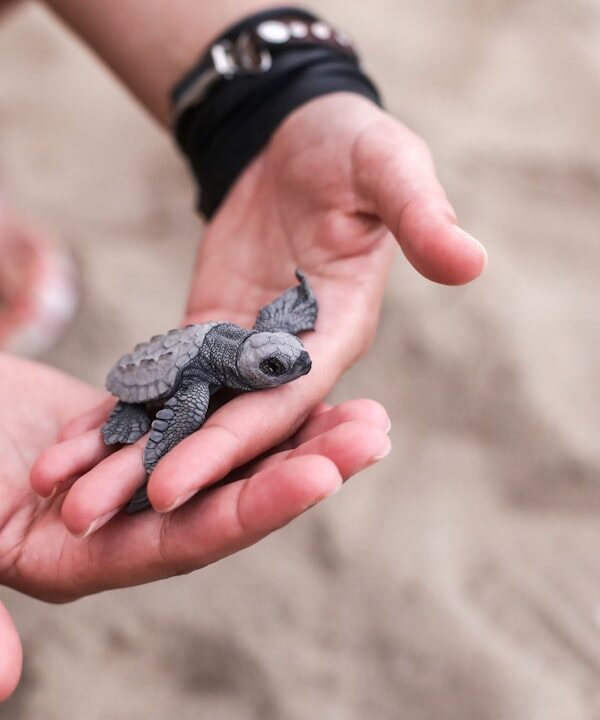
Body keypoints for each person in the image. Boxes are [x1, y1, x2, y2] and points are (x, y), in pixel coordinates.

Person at [0, 0, 487, 702]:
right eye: (277, 367)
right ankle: (125, 427)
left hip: (196, 342)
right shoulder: (199, 384)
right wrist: (150, 460)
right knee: (144, 431)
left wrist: (276, 97)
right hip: (143, 378)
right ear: (247, 367)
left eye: (283, 358)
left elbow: (281, 330)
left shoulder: (257, 338)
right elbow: (178, 422)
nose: (294, 365)